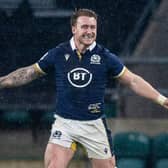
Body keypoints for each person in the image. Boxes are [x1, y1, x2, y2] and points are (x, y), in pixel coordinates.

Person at [0, 8, 168, 168]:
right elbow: (30, 72)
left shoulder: (105, 56)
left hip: (94, 124)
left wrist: (161, 99)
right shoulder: (58, 53)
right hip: (65, 124)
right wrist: (2, 81)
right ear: (74, 29)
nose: (89, 31)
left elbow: (133, 81)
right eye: (85, 26)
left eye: (93, 27)